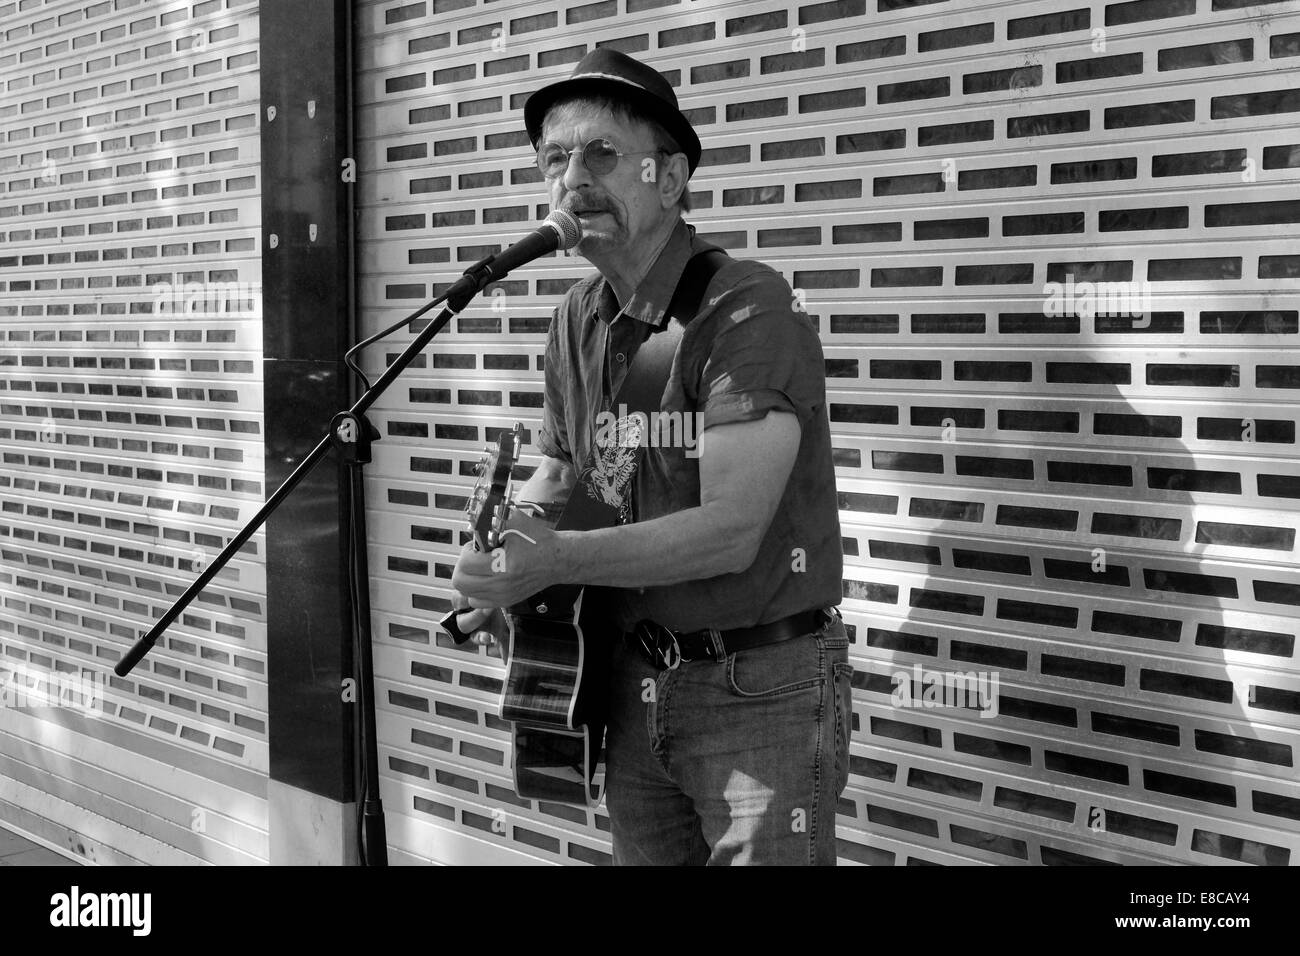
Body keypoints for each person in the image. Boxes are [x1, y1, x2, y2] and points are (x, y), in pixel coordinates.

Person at [447, 48, 849, 865]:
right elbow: (568, 475)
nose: (572, 179)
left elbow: (732, 531)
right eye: (554, 159)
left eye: (601, 154)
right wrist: (507, 562)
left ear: (669, 179)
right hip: (629, 684)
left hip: (757, 691)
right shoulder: (576, 318)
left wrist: (556, 557)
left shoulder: (746, 308)